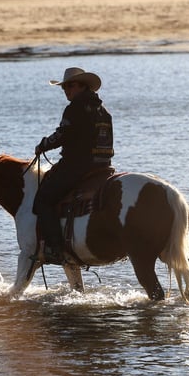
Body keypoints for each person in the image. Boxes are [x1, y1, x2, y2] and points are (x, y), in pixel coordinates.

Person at [33, 67, 114, 264]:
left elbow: (63, 134)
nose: (66, 90)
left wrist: (43, 145)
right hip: (103, 167)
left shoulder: (75, 108)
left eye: (70, 86)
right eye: (64, 87)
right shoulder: (103, 111)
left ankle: (55, 249)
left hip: (78, 167)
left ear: (82, 86)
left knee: (43, 200)